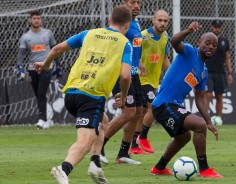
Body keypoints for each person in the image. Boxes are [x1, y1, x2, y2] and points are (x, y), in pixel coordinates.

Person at [33, 5, 132, 184]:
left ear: (109, 20)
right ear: (127, 25)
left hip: (71, 93)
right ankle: (64, 169)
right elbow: (125, 76)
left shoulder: (89, 33)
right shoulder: (125, 43)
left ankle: (95, 164)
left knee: (103, 121)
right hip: (91, 95)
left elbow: (56, 49)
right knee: (85, 142)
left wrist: (46, 64)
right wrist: (123, 97)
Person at [149, 21, 223, 178]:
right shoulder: (189, 51)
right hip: (164, 104)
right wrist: (188, 30)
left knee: (184, 137)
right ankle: (204, 169)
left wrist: (209, 121)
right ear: (199, 43)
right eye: (207, 43)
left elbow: (200, 99)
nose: (210, 46)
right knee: (198, 125)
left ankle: (159, 168)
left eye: (214, 45)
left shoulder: (203, 72)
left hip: (171, 106)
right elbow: (174, 41)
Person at [99, 0, 144, 164]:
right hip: (121, 73)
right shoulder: (119, 24)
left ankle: (123, 153)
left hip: (134, 73)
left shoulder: (136, 22)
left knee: (138, 112)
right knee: (128, 113)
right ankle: (99, 147)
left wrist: (139, 63)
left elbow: (133, 47)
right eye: (133, 2)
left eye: (139, 2)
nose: (137, 5)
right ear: (125, 3)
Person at [130, 9, 170, 154]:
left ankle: (134, 145)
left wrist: (171, 73)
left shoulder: (165, 37)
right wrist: (139, 64)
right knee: (154, 106)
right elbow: (133, 52)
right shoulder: (143, 36)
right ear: (153, 20)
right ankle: (143, 137)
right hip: (141, 78)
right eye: (159, 20)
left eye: (165, 21)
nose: (162, 23)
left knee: (142, 112)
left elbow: (165, 58)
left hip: (153, 80)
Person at [16, 10, 62, 129]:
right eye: (34, 18)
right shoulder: (26, 37)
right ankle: (45, 119)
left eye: (38, 18)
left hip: (46, 66)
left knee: (41, 93)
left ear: (41, 20)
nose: (36, 20)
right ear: (30, 20)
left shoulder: (48, 33)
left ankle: (42, 119)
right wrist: (20, 68)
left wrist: (58, 65)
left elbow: (55, 50)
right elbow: (21, 54)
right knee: (38, 95)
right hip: (32, 68)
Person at [205, 20, 233, 123]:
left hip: (220, 72)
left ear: (221, 28)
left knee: (219, 95)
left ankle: (218, 118)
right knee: (207, 94)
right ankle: (206, 118)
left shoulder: (224, 41)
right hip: (207, 71)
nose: (217, 28)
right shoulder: (206, 39)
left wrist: (230, 73)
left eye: (219, 27)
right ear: (211, 27)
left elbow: (227, 57)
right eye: (215, 26)